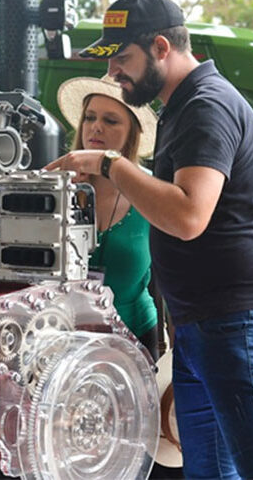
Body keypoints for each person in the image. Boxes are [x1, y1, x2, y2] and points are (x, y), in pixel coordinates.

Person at [45, 0, 253, 480]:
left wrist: (109, 163)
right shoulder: (186, 106)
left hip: (235, 320)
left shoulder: (207, 105)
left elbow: (188, 216)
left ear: (161, 47)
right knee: (209, 472)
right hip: (205, 323)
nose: (115, 73)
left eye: (123, 59)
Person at [56, 76, 160, 361]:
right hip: (65, 340)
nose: (96, 127)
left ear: (132, 132)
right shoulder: (56, 186)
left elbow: (179, 277)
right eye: (90, 118)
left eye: (111, 121)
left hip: (135, 336)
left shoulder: (152, 189)